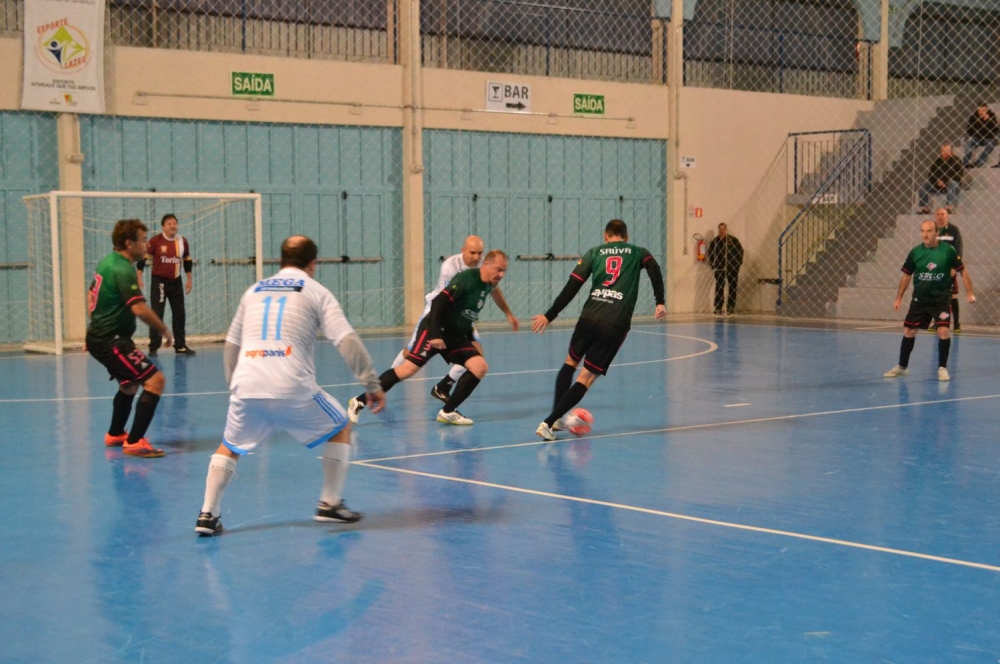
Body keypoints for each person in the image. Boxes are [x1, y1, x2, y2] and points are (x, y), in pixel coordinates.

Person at [195, 236, 386, 536]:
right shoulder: (316, 291)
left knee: (229, 446)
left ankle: (207, 514)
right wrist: (372, 385)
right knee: (341, 426)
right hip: (292, 388)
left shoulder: (253, 291)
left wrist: (235, 385)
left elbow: (231, 343)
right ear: (313, 264)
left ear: (281, 259)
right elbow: (347, 342)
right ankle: (330, 503)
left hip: (247, 384)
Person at [530, 219, 666, 441]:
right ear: (626, 237)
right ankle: (547, 422)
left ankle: (555, 419)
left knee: (570, 363)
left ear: (605, 236)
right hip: (614, 322)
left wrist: (549, 315)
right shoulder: (638, 252)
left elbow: (572, 287)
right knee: (586, 378)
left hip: (589, 318)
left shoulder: (594, 253)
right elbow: (654, 268)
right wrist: (659, 301)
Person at [347, 250, 512, 427]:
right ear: (486, 265)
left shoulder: (489, 283)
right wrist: (434, 334)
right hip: (435, 330)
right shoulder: (466, 279)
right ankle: (359, 401)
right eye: (498, 270)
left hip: (455, 335)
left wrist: (508, 314)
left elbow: (495, 293)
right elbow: (437, 302)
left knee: (479, 366)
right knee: (407, 370)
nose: (501, 275)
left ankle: (448, 411)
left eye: (504, 271)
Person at [392, 235, 518, 403]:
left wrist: (508, 313)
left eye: (480, 253)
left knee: (477, 356)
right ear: (463, 250)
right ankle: (386, 380)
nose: (476, 257)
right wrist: (437, 332)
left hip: (462, 314)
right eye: (472, 252)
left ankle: (444, 386)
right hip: (437, 312)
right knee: (411, 353)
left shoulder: (485, 266)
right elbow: (444, 301)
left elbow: (494, 290)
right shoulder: (450, 266)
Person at [86, 219, 173, 458]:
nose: (147, 245)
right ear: (128, 243)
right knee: (156, 381)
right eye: (143, 240)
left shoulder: (107, 262)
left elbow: (91, 294)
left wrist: (95, 326)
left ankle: (115, 434)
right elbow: (140, 309)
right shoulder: (123, 269)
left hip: (104, 337)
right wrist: (164, 329)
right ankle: (134, 442)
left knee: (129, 383)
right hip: (111, 341)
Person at [884, 220, 975, 382]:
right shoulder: (915, 252)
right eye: (923, 231)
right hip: (920, 300)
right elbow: (906, 276)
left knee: (943, 331)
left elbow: (963, 272)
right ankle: (902, 367)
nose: (925, 234)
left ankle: (942, 368)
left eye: (929, 231)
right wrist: (899, 298)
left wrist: (970, 293)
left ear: (936, 233)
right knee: (909, 332)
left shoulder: (948, 251)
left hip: (941, 300)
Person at [137, 213, 195, 356]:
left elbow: (187, 261)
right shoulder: (155, 241)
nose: (172, 225)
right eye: (169, 223)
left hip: (176, 282)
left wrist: (189, 279)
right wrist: (139, 276)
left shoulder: (182, 241)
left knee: (180, 313)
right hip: (159, 282)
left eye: (174, 223)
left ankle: (180, 345)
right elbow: (142, 260)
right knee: (157, 314)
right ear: (163, 227)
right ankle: (154, 346)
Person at [934, 207, 965, 332]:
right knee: (937, 296)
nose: (940, 216)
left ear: (947, 216)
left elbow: (959, 248)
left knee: (952, 296)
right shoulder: (933, 230)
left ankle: (956, 324)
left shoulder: (953, 230)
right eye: (938, 214)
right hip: (936, 268)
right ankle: (937, 322)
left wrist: (954, 267)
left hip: (949, 268)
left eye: (943, 214)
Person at [707, 222, 744, 315]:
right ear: (718, 230)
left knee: (732, 287)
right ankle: (718, 306)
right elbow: (710, 254)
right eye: (720, 229)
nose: (721, 231)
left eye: (723, 229)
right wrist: (714, 265)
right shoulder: (714, 242)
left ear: (726, 230)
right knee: (719, 287)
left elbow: (740, 252)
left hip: (732, 268)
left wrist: (737, 264)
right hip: (719, 268)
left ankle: (731, 307)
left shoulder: (733, 240)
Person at [917, 144, 964, 214]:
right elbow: (931, 175)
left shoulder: (957, 161)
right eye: (942, 150)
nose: (944, 152)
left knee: (951, 183)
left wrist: (945, 182)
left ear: (951, 151)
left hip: (952, 185)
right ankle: (924, 208)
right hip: (938, 186)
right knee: (923, 185)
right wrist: (937, 181)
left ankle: (949, 207)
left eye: (947, 150)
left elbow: (958, 175)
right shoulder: (937, 162)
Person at [963, 103, 998, 168]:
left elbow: (996, 129)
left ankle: (978, 163)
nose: (981, 112)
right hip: (976, 138)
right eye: (979, 110)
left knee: (991, 144)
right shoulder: (973, 117)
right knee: (969, 143)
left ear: (986, 110)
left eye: (983, 110)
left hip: (987, 138)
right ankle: (965, 163)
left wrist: (989, 120)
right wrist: (981, 122)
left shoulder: (991, 116)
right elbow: (969, 130)